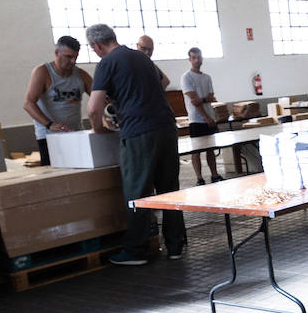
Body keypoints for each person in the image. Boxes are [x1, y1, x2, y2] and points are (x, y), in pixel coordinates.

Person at [86, 24, 186, 264]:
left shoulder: (106, 63)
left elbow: (93, 108)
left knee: (137, 190)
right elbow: (164, 81)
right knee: (169, 189)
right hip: (167, 127)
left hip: (139, 132)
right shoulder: (141, 57)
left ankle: (135, 251)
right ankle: (175, 246)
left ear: (97, 46)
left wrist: (99, 128)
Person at [23, 36, 93, 166]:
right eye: (68, 56)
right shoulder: (43, 72)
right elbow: (28, 104)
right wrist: (50, 125)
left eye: (75, 57)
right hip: (49, 136)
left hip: (75, 134)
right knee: (54, 176)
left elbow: (99, 98)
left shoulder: (81, 75)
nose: (73, 61)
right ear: (57, 53)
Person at [181, 46, 219, 185]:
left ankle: (215, 175)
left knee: (211, 149)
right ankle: (199, 178)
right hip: (196, 120)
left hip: (210, 117)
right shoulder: (186, 77)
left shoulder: (207, 77)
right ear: (190, 59)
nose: (197, 60)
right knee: (196, 151)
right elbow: (193, 100)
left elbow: (210, 97)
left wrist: (203, 100)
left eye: (199, 57)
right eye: (194, 57)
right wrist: (206, 117)